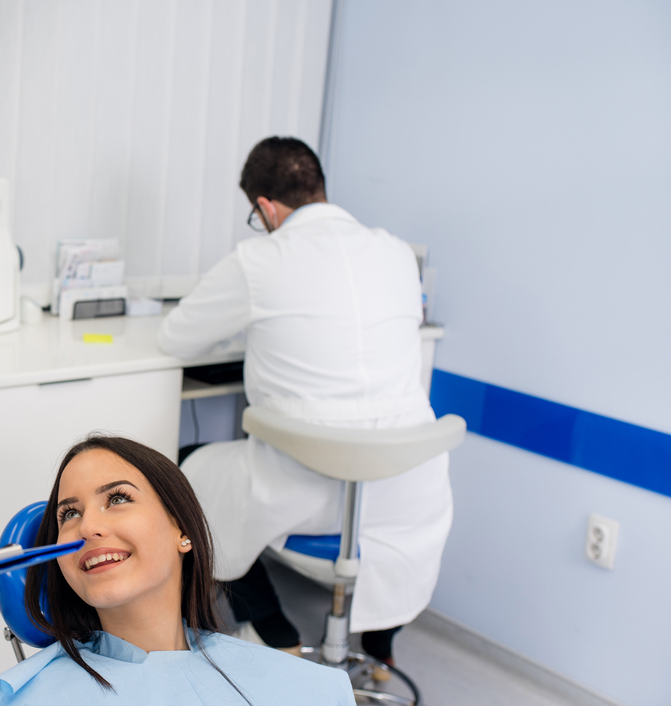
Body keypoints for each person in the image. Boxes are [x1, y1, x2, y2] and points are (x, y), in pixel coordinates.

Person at [157, 136, 453, 666]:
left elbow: (175, 339)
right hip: (402, 490)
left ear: (265, 207)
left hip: (307, 486)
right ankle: (379, 650)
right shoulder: (394, 252)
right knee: (376, 510)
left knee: (182, 474)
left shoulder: (260, 258)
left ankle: (275, 631)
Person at [0, 436, 387, 706]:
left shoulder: (311, 690)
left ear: (182, 530)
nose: (89, 527)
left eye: (117, 498)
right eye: (69, 514)